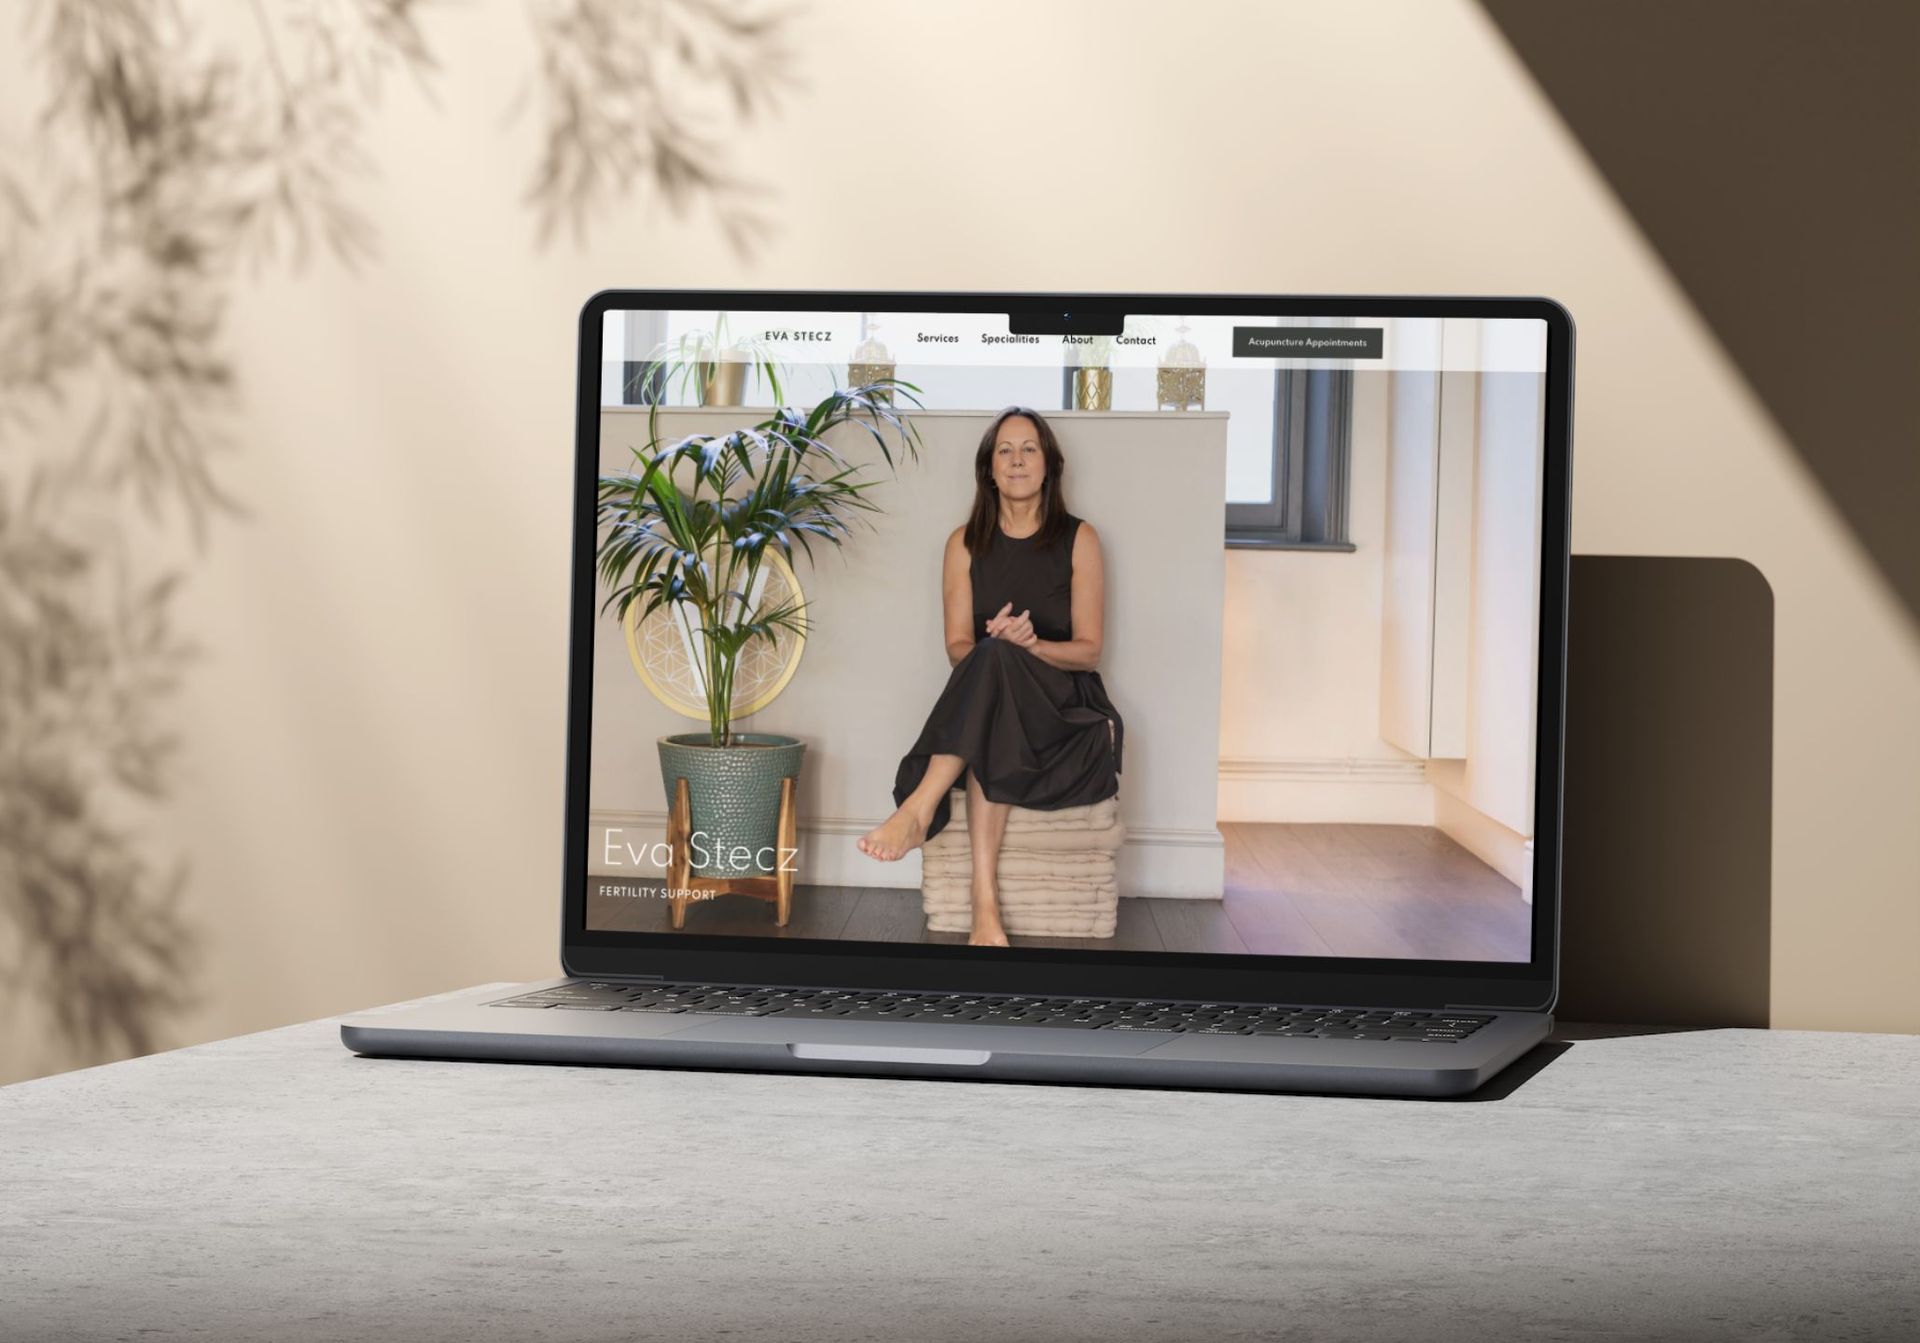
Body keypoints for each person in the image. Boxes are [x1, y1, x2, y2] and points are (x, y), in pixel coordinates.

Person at [857, 406, 1122, 946]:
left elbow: (1090, 652)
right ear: (989, 468)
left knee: (997, 662)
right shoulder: (963, 544)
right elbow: (958, 648)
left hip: (1065, 712)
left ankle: (917, 809)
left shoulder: (1080, 538)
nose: (1017, 460)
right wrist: (997, 647)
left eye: (1029, 449)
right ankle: (985, 909)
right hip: (999, 705)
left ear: (1048, 464)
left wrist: (1031, 645)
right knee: (990, 667)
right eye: (1005, 450)